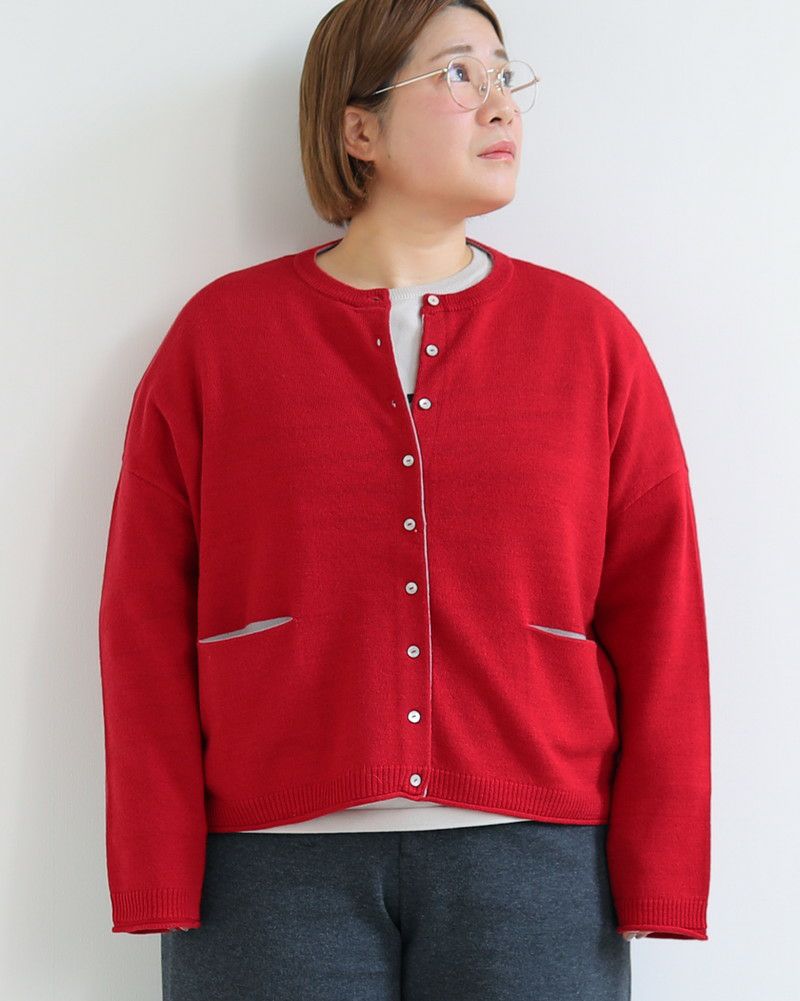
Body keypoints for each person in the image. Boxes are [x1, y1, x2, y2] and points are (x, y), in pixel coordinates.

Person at [98, 1, 711, 998]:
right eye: (459, 74)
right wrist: (157, 864)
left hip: (537, 862)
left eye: (506, 76)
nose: (500, 104)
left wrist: (662, 868)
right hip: (268, 870)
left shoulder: (588, 339)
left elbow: (662, 616)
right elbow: (142, 620)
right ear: (360, 128)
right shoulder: (220, 340)